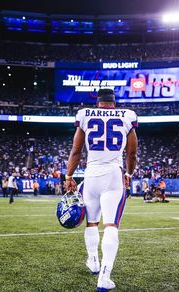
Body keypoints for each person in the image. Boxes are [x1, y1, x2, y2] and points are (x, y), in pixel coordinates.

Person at [65, 88, 138, 291]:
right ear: (114, 102)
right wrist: (129, 175)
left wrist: (69, 176)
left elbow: (76, 151)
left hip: (91, 175)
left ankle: (93, 260)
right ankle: (104, 276)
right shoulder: (127, 116)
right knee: (111, 225)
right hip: (113, 174)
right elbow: (132, 154)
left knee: (91, 222)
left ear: (98, 102)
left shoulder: (85, 114)